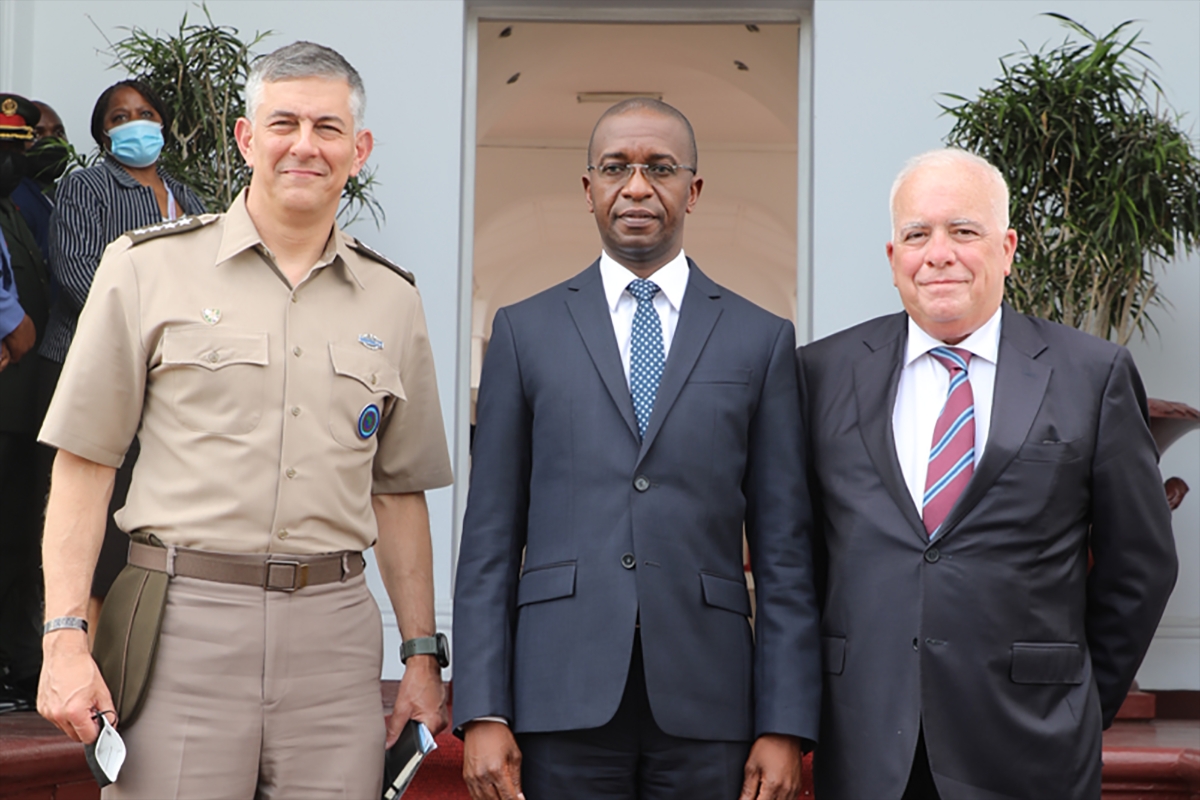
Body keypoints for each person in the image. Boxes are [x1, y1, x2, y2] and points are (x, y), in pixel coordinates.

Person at [36, 41, 453, 798]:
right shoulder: (144, 268)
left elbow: (399, 492)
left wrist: (421, 654)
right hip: (180, 631)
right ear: (245, 138)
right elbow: (85, 462)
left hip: (333, 638)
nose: (305, 144)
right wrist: (63, 639)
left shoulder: (393, 300)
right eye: (283, 122)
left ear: (358, 150)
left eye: (328, 128)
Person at [453, 98, 821, 800]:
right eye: (616, 168)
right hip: (556, 697)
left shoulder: (761, 338)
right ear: (587, 188)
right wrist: (482, 706)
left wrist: (784, 721)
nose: (638, 186)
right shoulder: (524, 332)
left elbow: (785, 552)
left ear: (694, 189)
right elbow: (490, 540)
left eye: (661, 168)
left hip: (711, 703)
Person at [797, 148, 1178, 800]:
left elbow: (1138, 567)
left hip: (1032, 748)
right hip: (865, 746)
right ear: (894, 260)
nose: (938, 253)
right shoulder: (820, 373)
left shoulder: (1092, 374)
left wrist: (1080, 704)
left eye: (963, 231)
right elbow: (797, 561)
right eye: (917, 234)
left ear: (1006, 249)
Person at [39, 80, 205, 641]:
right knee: (90, 518)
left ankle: (126, 651)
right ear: (102, 132)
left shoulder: (191, 199)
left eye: (146, 113)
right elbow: (76, 273)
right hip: (87, 369)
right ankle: (70, 653)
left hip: (165, 382)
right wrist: (151, 332)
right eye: (119, 116)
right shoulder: (86, 188)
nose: (135, 123)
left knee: (143, 515)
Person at [0, 93, 52, 714]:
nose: (11, 159)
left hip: (19, 407)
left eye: (16, 148)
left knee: (16, 537)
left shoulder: (16, 209)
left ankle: (16, 659)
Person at [12, 100, 67, 257]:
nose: (51, 142)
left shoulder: (65, 194)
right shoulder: (15, 196)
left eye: (58, 133)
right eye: (36, 134)